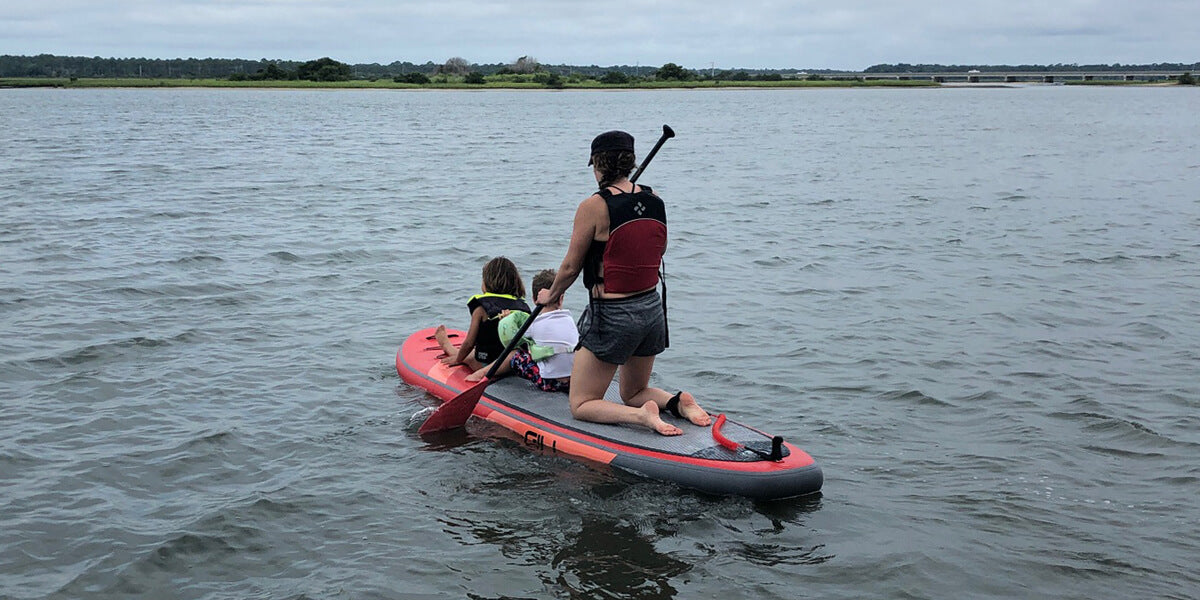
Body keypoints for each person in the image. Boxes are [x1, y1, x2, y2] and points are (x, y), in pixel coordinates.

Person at [536, 130, 711, 436]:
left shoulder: (593, 206)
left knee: (581, 403)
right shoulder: (655, 200)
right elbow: (658, 248)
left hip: (613, 316)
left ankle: (642, 416)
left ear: (599, 165)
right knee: (634, 390)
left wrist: (550, 295)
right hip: (651, 310)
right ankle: (678, 402)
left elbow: (570, 267)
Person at [466, 269, 577, 393]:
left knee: (515, 354)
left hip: (549, 383)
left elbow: (511, 341)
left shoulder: (534, 323)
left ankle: (481, 374)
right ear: (561, 298)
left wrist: (505, 321)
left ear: (534, 299)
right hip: (573, 382)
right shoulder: (569, 320)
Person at [435, 256, 530, 373]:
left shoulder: (481, 308)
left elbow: (469, 343)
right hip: (513, 365)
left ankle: (447, 346)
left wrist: (458, 360)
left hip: (486, 364)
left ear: (487, 282)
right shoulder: (523, 307)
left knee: (470, 355)